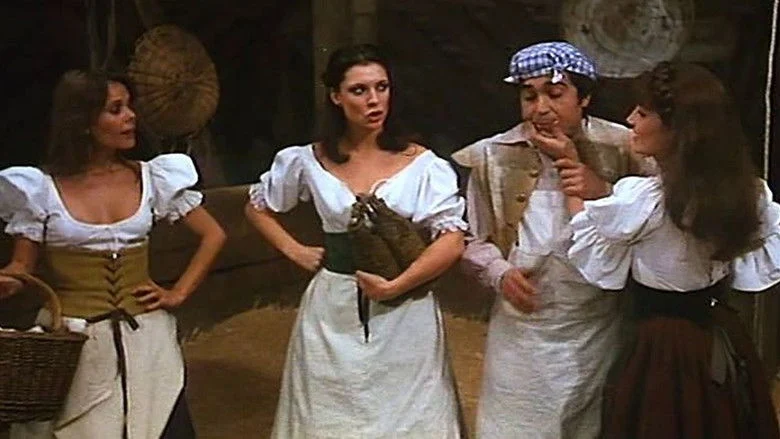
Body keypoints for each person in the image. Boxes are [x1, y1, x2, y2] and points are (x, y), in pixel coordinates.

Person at [245, 44, 468, 438]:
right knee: (330, 413)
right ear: (336, 96)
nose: (374, 100)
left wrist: (398, 285)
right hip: (334, 308)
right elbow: (257, 208)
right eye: (359, 90)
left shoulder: (423, 165)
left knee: (410, 415)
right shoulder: (308, 160)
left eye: (382, 87)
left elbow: (452, 239)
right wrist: (294, 249)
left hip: (405, 308)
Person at [0, 69, 226, 438]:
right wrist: (9, 281)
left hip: (147, 341)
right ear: (84, 122)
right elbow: (22, 265)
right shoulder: (41, 189)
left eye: (129, 107)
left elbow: (213, 234)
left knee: (159, 422)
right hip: (76, 345)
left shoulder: (151, 177)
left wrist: (178, 292)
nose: (131, 117)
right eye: (116, 109)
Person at [564, 61, 780, 439]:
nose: (630, 119)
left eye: (643, 113)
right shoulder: (744, 192)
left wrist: (569, 169)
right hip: (716, 331)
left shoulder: (645, 200)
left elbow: (591, 235)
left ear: (678, 128)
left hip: (662, 347)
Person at [451, 41, 649, 438]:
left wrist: (603, 190)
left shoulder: (626, 147)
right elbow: (470, 234)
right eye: (529, 97)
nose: (540, 108)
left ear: (584, 97)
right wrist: (499, 272)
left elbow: (656, 214)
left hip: (598, 325)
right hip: (522, 328)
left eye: (555, 94)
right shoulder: (493, 155)